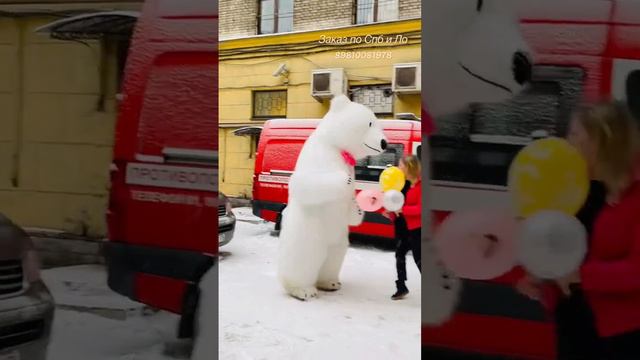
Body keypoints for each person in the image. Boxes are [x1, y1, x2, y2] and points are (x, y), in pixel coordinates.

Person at [517, 101, 640, 359]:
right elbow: (563, 249)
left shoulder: (634, 195)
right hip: (571, 318)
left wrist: (579, 275)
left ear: (601, 141)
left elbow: (635, 271)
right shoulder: (573, 191)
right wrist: (541, 275)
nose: (566, 141)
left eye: (574, 134)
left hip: (620, 333)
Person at [384, 155, 422, 300]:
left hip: (417, 228)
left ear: (409, 167)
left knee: (420, 259)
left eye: (401, 166)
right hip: (402, 225)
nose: (398, 169)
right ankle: (401, 286)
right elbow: (396, 201)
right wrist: (391, 212)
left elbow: (420, 208)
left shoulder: (421, 185)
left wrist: (402, 210)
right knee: (399, 255)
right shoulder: (402, 183)